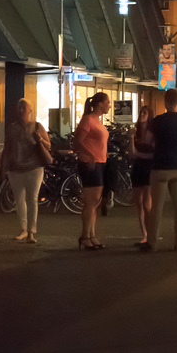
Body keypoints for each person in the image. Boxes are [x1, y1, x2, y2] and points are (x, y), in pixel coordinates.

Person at [141, 88, 177, 252]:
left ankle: (153, 243)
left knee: (157, 207)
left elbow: (147, 140)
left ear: (165, 101)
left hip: (161, 167)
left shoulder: (158, 121)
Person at [1, 98, 51, 244]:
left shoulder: (36, 126)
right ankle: (23, 229)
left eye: (24, 107)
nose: (21, 110)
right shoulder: (12, 128)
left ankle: (31, 231)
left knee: (32, 199)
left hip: (34, 168)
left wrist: (40, 139)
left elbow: (48, 146)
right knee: (19, 200)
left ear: (30, 110)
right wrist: (3, 168)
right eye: (19, 108)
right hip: (15, 168)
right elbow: (7, 148)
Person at [73, 92, 109, 250]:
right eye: (107, 102)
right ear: (100, 104)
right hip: (90, 163)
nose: (109, 105)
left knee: (95, 201)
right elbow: (78, 140)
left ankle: (91, 234)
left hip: (100, 162)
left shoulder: (97, 120)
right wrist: (91, 155)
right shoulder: (87, 120)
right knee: (90, 200)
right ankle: (85, 236)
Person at [130, 105, 154, 244]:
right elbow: (132, 153)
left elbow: (153, 153)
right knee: (138, 202)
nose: (142, 115)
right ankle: (144, 234)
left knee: (147, 202)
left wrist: (139, 154)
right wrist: (131, 137)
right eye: (141, 112)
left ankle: (150, 233)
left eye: (145, 112)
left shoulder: (153, 132)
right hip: (138, 167)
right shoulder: (136, 132)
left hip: (149, 168)